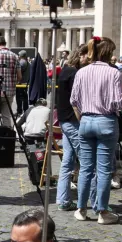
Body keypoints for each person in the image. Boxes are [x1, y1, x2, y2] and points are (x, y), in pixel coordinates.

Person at [70, 37, 122, 225]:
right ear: (109, 53)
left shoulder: (82, 72)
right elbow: (119, 102)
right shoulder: (114, 73)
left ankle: (81, 208)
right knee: (103, 170)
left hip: (86, 120)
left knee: (85, 168)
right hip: (106, 121)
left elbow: (74, 100)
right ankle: (102, 210)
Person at [56, 51, 85, 211]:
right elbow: (76, 100)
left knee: (67, 163)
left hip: (64, 119)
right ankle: (85, 202)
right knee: (86, 161)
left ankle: (63, 200)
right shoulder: (73, 73)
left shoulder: (65, 70)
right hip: (72, 120)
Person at [16, 50, 30, 115]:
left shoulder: (22, 62)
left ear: (21, 56)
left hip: (21, 83)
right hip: (25, 82)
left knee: (19, 98)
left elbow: (18, 72)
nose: (18, 56)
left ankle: (20, 111)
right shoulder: (27, 62)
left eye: (19, 55)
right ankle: (25, 110)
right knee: (24, 97)